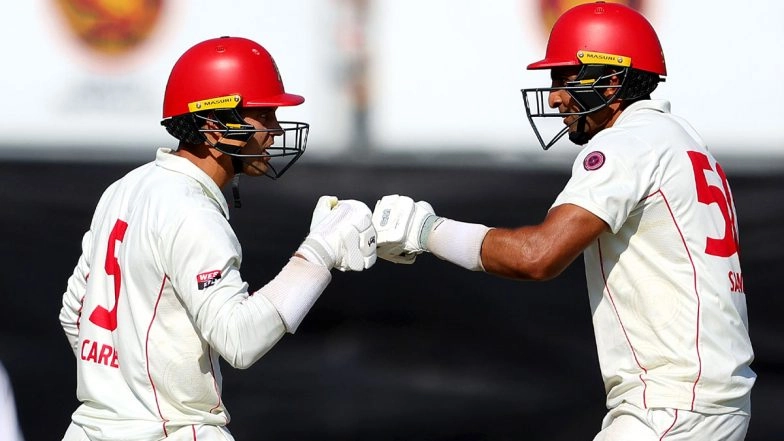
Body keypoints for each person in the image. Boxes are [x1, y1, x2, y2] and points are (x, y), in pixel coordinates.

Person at [371, 3, 754, 440]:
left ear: (611, 80)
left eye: (565, 77)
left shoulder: (627, 143)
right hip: (710, 404)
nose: (554, 96)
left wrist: (423, 230)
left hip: (672, 406)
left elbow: (538, 256)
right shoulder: (685, 140)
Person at [59, 36, 377, 441]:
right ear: (213, 126)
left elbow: (74, 313)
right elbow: (240, 340)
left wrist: (121, 393)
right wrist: (321, 253)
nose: (277, 130)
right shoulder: (192, 211)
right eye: (263, 114)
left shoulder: (125, 187)